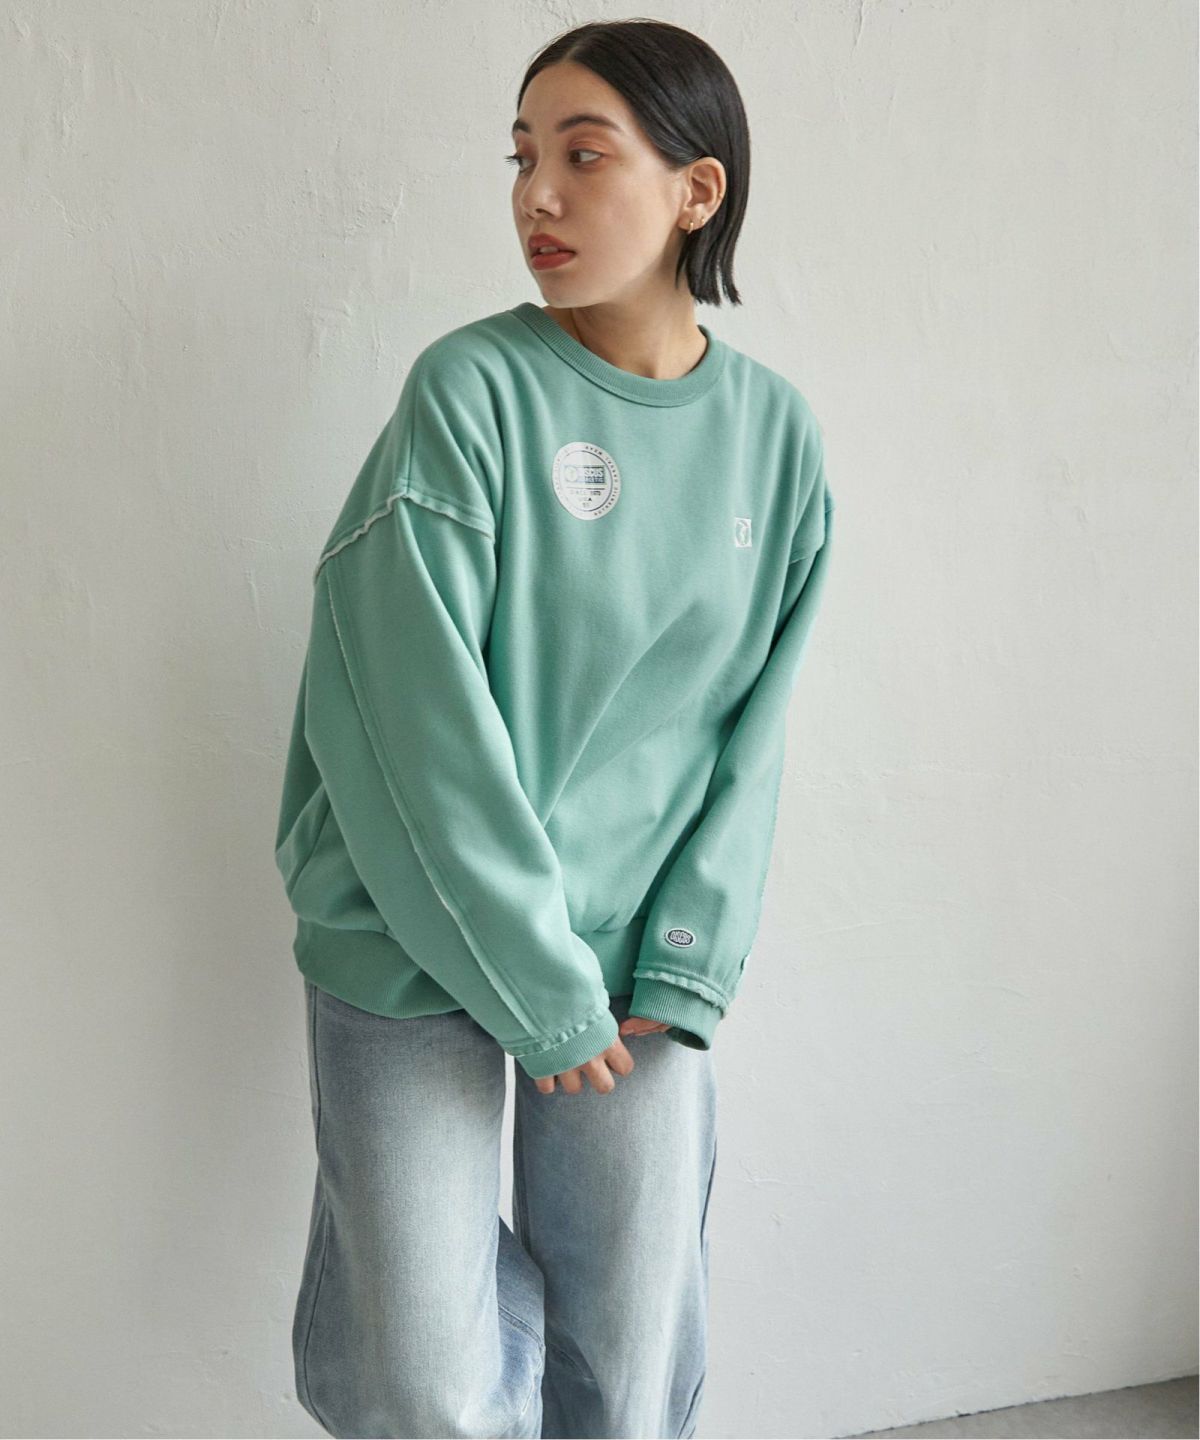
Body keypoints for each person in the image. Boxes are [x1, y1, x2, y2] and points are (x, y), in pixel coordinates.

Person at [274, 18, 836, 1439]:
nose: (537, 194)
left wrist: (692, 956)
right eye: (523, 158)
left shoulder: (775, 438)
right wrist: (535, 981)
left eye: (585, 157)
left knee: (631, 1361)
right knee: (422, 1379)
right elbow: (406, 721)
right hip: (412, 925)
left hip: (639, 954)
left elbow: (752, 732)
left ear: (696, 191)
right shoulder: (468, 393)